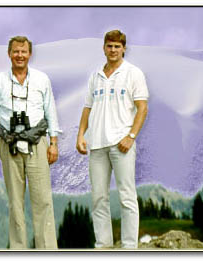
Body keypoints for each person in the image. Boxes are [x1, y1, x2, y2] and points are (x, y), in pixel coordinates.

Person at [0, 36, 60, 249]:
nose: (20, 55)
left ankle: (47, 250)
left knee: (42, 199)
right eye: (16, 51)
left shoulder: (42, 79)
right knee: (15, 202)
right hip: (9, 145)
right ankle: (18, 250)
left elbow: (50, 111)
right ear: (9, 54)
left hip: (37, 144)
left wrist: (54, 142)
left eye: (23, 51)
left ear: (30, 54)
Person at [76, 30, 149, 249]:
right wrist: (80, 134)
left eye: (117, 46)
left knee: (127, 198)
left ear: (124, 48)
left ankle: (129, 248)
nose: (113, 50)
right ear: (104, 48)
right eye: (109, 46)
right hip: (97, 144)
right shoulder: (96, 75)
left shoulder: (133, 73)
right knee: (99, 198)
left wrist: (131, 136)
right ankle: (103, 246)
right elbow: (88, 107)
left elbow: (142, 108)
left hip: (122, 144)